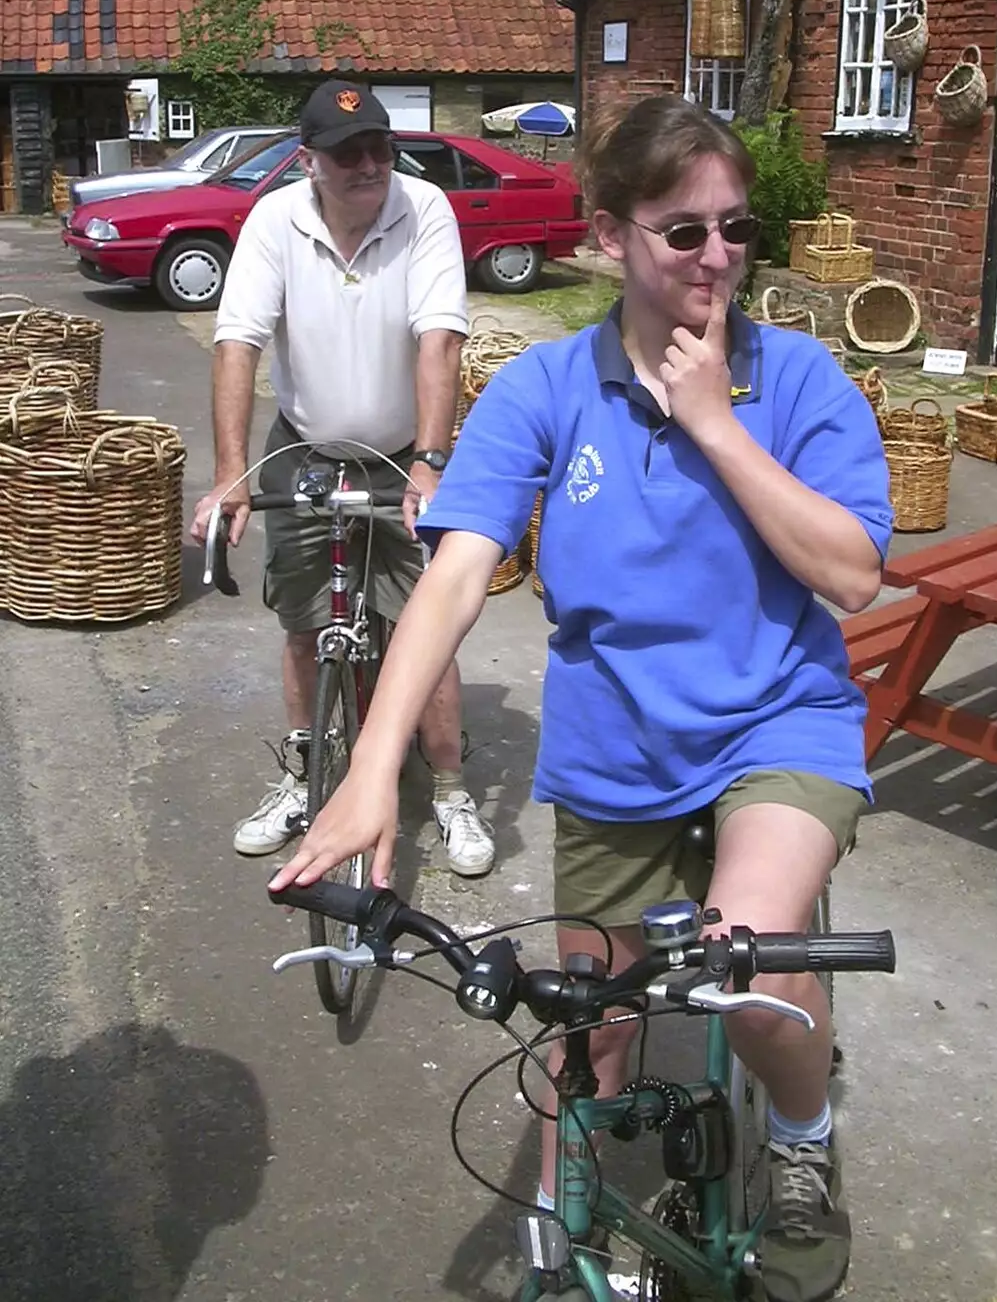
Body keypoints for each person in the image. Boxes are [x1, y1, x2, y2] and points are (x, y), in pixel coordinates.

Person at [271, 95, 892, 1302]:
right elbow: (452, 580)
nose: (716, 258)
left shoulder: (797, 377)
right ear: (608, 235)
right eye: (680, 232)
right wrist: (366, 774)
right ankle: (578, 1214)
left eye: (735, 227)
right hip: (617, 740)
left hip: (777, 721)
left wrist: (714, 424)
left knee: (748, 959)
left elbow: (854, 575)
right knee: (591, 1023)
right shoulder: (549, 387)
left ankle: (804, 1138)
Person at [190, 79, 495, 879]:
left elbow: (440, 339)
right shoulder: (273, 219)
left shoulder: (422, 207)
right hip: (306, 443)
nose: (368, 165)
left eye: (379, 148)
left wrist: (430, 462)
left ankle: (451, 788)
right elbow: (237, 343)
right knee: (300, 622)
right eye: (347, 153)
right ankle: (301, 777)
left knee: (422, 627)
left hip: (402, 450)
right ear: (309, 161)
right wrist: (229, 477)